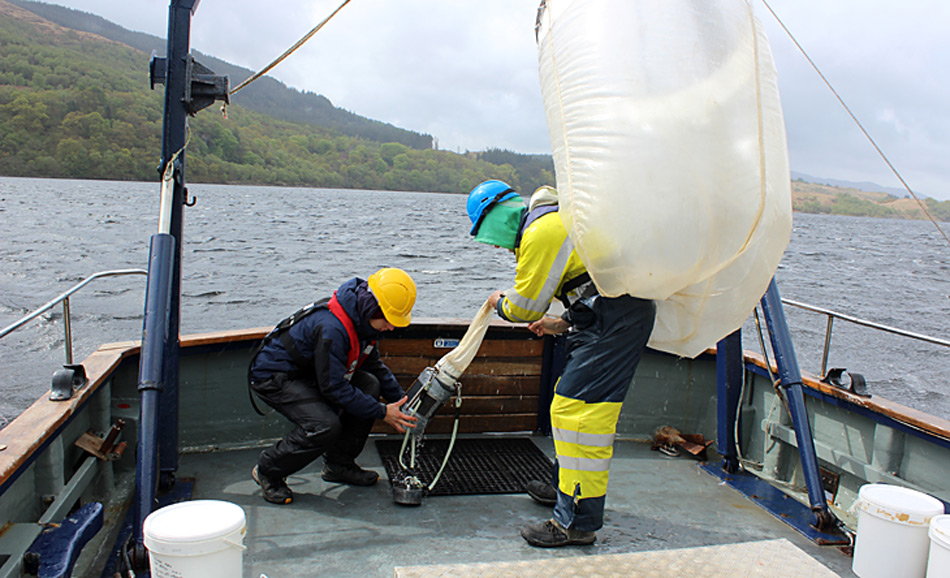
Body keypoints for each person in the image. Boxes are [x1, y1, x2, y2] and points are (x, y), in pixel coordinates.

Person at [466, 180, 656, 547]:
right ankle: (564, 490)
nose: (493, 245)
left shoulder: (540, 232)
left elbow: (524, 307)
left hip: (613, 322)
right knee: (571, 410)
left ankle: (576, 523)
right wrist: (562, 323)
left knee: (579, 414)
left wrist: (498, 300)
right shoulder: (553, 221)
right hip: (606, 317)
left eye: (486, 233)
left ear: (495, 215)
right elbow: (586, 283)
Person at [247, 268, 419, 504]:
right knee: (324, 425)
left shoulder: (364, 323)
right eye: (389, 321)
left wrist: (402, 403)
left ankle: (339, 464)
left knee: (370, 384)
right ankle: (268, 470)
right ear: (373, 309)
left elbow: (373, 366)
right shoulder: (333, 329)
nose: (392, 328)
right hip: (275, 376)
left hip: (312, 371)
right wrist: (382, 412)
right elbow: (334, 389)